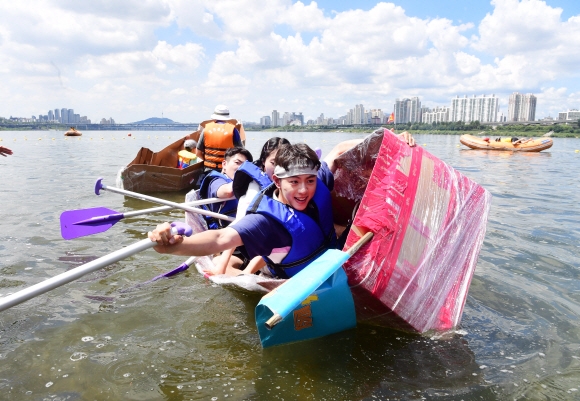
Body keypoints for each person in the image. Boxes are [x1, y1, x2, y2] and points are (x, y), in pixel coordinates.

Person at [149, 143, 336, 279]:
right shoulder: (265, 221)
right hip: (304, 279)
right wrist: (168, 246)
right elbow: (220, 238)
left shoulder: (316, 180)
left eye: (309, 181)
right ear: (277, 182)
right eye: (294, 182)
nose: (304, 190)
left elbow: (338, 151)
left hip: (333, 260)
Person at [198, 147, 253, 230]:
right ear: (224, 164)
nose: (241, 168)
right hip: (223, 232)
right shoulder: (216, 180)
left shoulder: (250, 184)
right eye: (237, 163)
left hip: (244, 228)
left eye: (245, 166)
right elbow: (227, 192)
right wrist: (244, 177)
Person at [196, 105, 244, 171]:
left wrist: (207, 161)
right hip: (226, 169)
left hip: (208, 169)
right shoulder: (233, 130)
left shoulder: (206, 129)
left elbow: (198, 153)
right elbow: (241, 152)